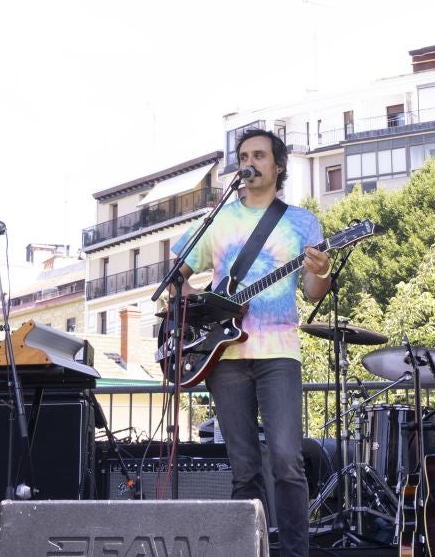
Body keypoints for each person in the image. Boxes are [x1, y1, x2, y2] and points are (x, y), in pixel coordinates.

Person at [170, 130, 331, 557]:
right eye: (243, 155)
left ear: (278, 165)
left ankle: (296, 552)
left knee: (286, 459)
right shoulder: (219, 218)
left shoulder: (301, 221)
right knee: (243, 466)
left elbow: (314, 292)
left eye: (259, 155)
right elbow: (179, 272)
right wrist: (188, 300)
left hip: (278, 351)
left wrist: (324, 270)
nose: (250, 162)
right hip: (223, 355)